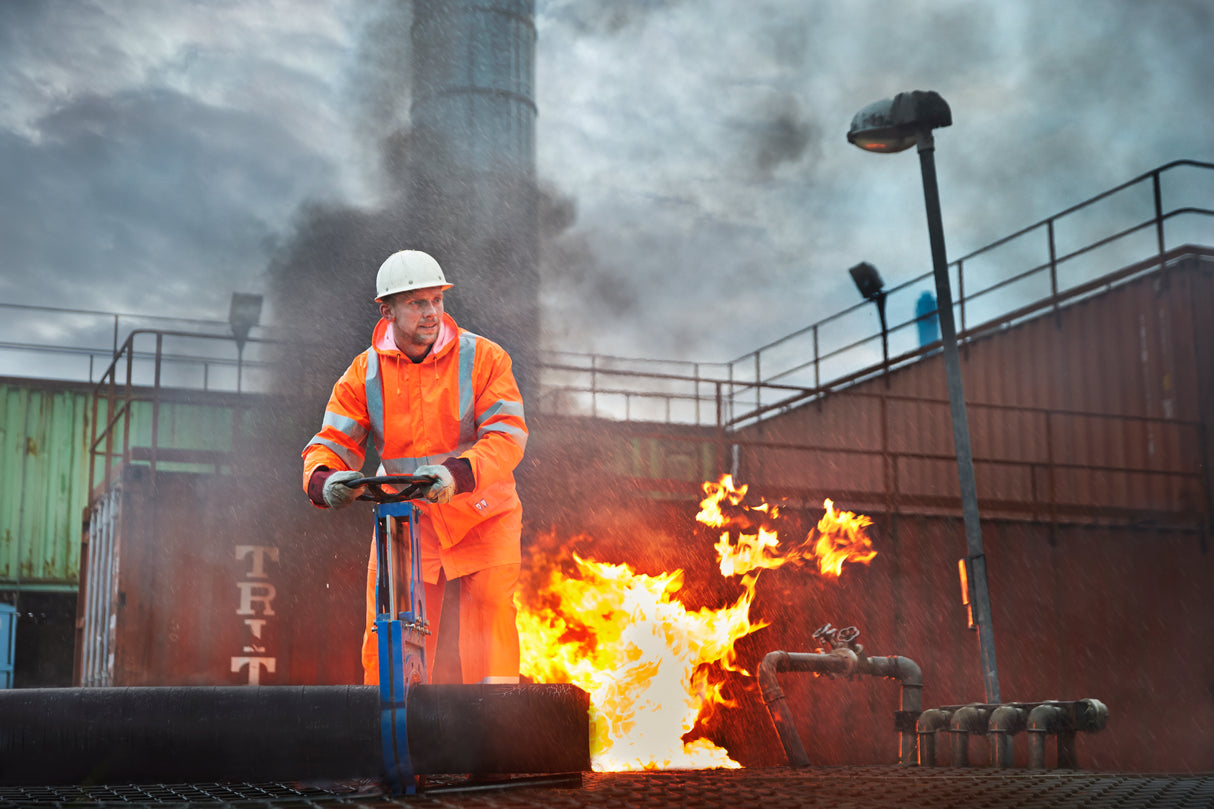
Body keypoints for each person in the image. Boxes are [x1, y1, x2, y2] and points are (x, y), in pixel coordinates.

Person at [301, 249, 528, 685]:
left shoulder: (485, 358)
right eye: (417, 303)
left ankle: (499, 740)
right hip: (407, 520)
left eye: (437, 300)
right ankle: (394, 738)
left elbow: (507, 437)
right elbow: (333, 441)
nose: (432, 313)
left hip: (484, 513)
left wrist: (456, 474)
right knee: (391, 640)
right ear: (386, 311)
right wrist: (324, 480)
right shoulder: (364, 373)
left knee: (491, 628)